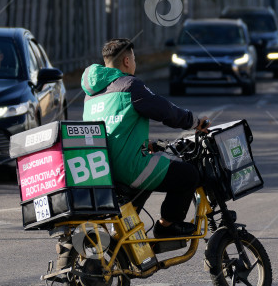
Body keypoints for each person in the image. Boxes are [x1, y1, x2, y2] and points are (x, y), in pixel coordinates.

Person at [81, 38, 209, 238]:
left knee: (152, 171)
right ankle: (167, 226)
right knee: (188, 175)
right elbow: (165, 110)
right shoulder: (129, 85)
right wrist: (194, 122)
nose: (134, 63)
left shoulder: (91, 95)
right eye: (134, 58)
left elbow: (115, 128)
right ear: (126, 61)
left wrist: (144, 144)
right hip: (129, 167)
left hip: (103, 170)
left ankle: (128, 236)